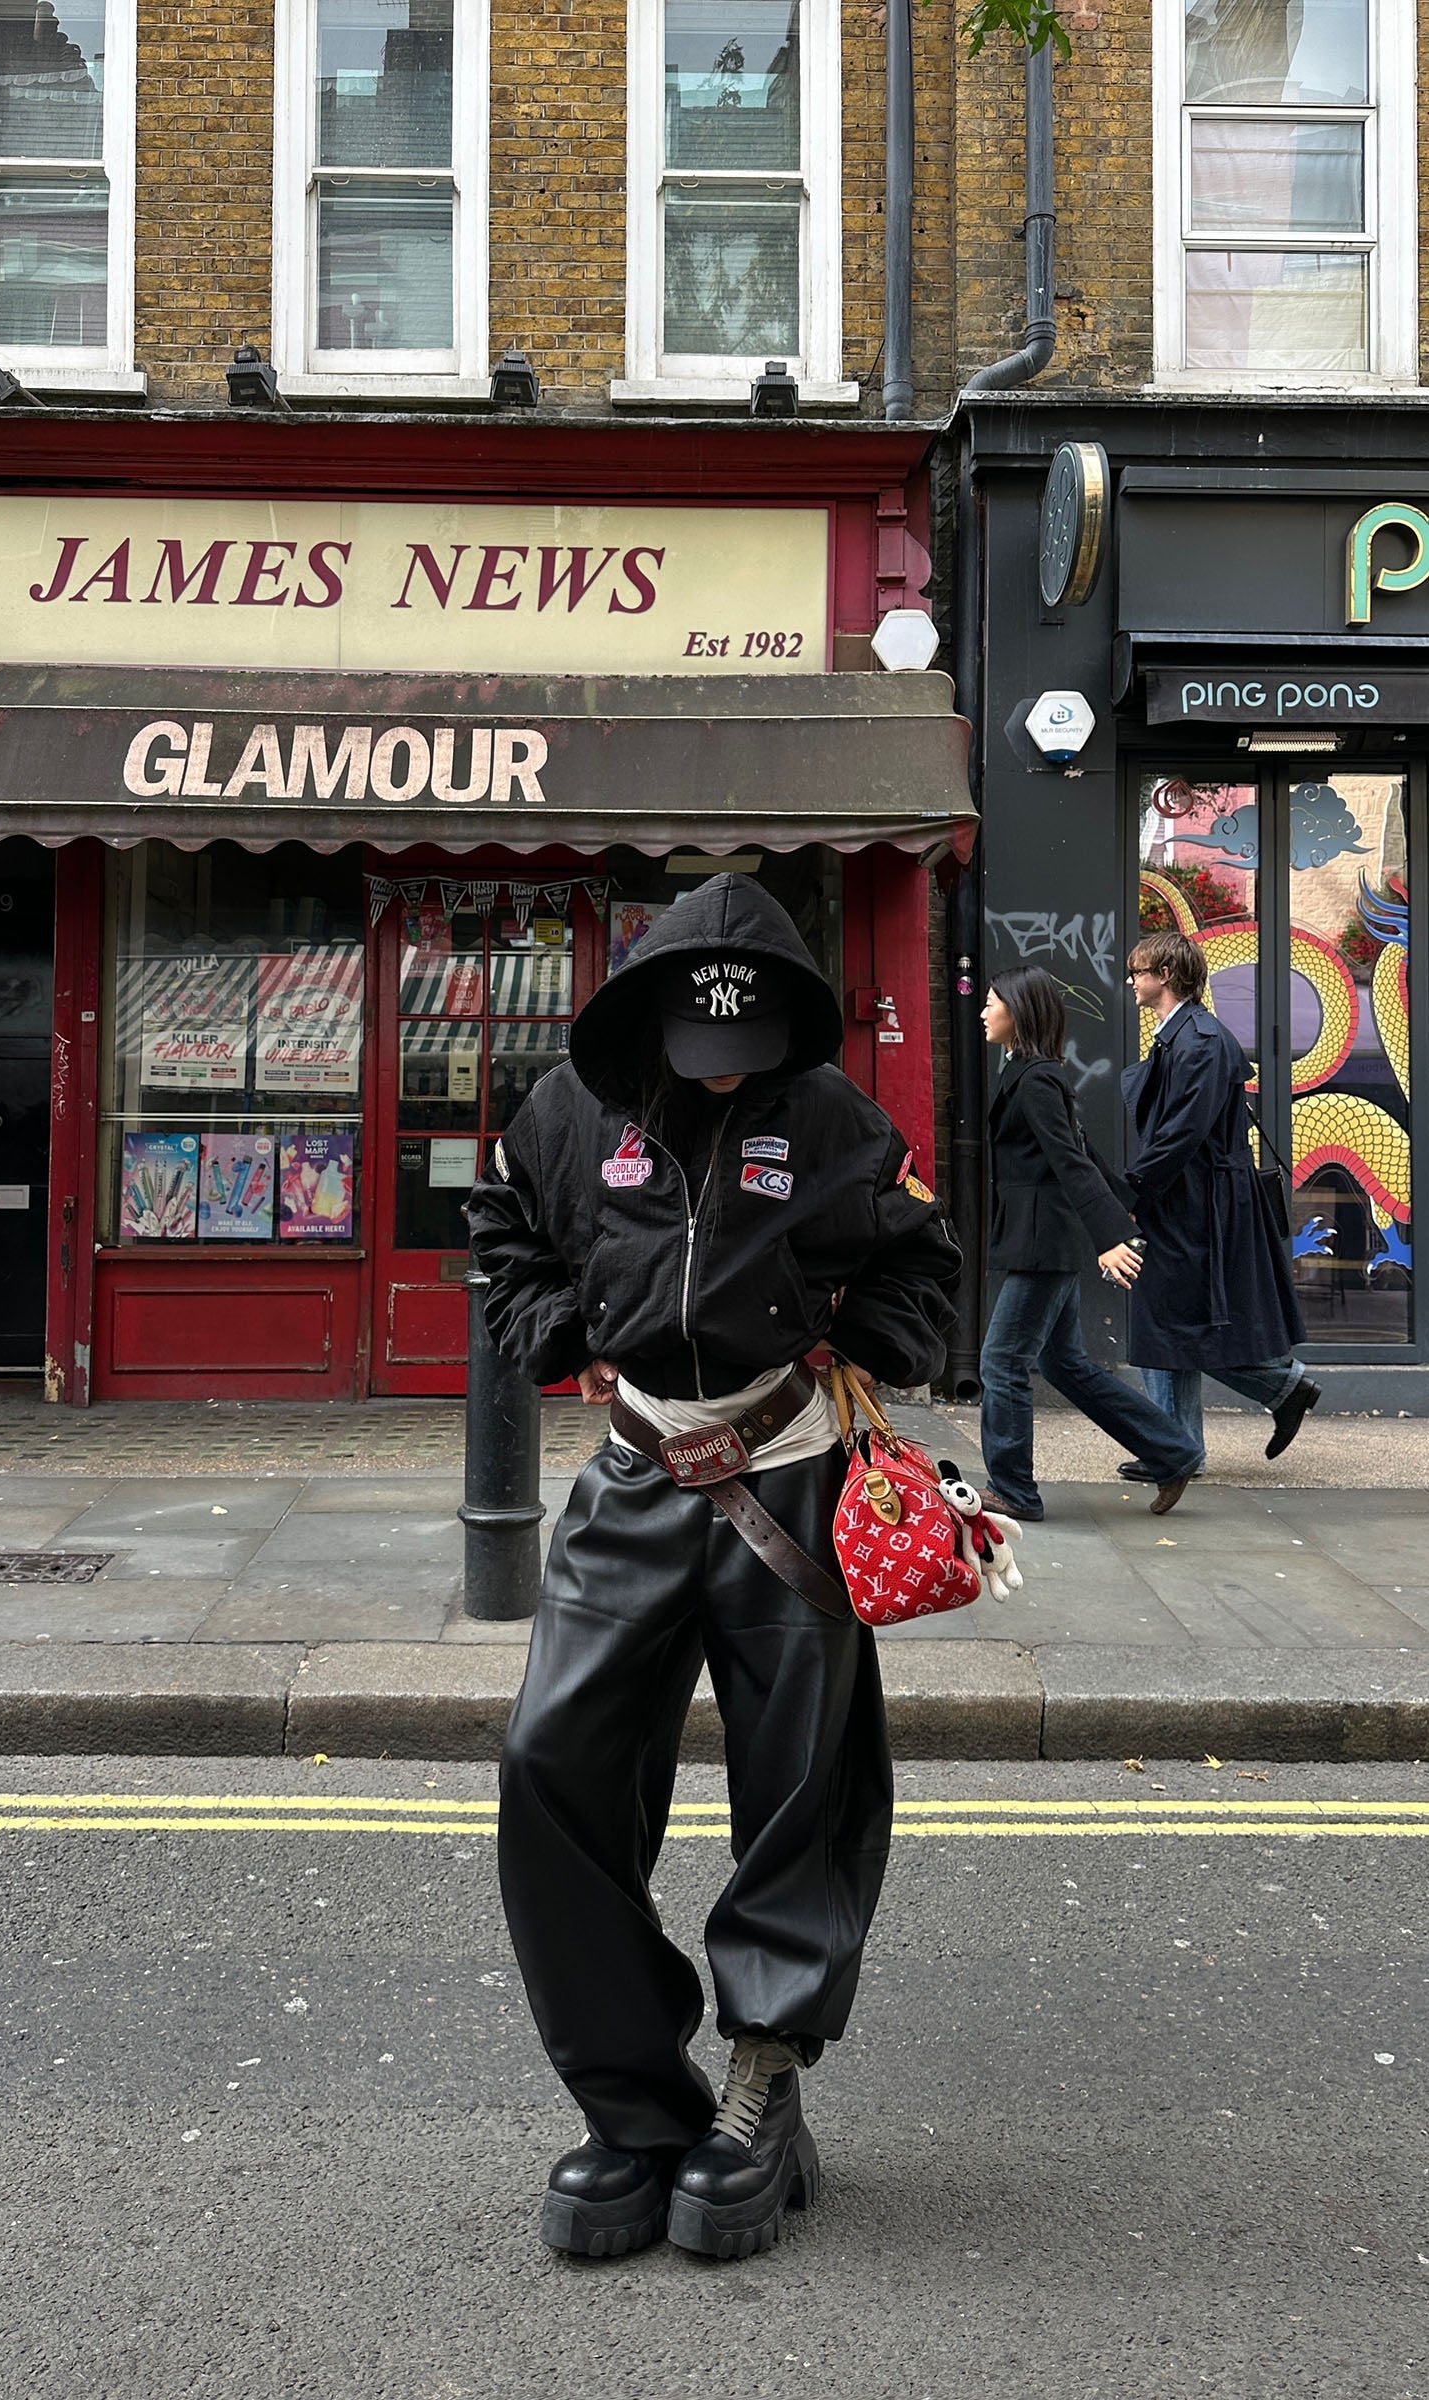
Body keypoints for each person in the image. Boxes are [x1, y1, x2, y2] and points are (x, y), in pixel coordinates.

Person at [467, 873, 961, 2264]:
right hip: (635, 1473)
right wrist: (554, 1329)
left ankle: (762, 2083)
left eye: (748, 1039)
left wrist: (872, 1349)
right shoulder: (572, 1112)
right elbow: (502, 1235)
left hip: (790, 1477)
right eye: (701, 1041)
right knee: (553, 1761)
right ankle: (631, 2105)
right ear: (655, 1018)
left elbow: (924, 1258)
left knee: (803, 1778)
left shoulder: (834, 1122)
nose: (725, 1065)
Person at [977, 964, 1203, 1522]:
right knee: (1064, 1364)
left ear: (1019, 1011)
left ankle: (1013, 1491)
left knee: (1001, 1362)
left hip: (1042, 1242)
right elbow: (1083, 1153)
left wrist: (1111, 1235)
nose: (983, 1011)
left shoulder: (1036, 1079)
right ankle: (1172, 1451)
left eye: (991, 1002)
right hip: (1042, 1237)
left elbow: (1070, 1160)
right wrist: (1123, 1207)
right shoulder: (1031, 1073)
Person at [1119, 929, 1318, 1480]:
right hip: (1184, 1197)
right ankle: (1183, 1445)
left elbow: (1182, 1131)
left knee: (1166, 1320)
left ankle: (1195, 1436)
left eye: (1137, 971)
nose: (1130, 980)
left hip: (1195, 1201)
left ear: (1165, 976)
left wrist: (1133, 1190)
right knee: (1169, 1319)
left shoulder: (1200, 1040)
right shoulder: (1180, 1034)